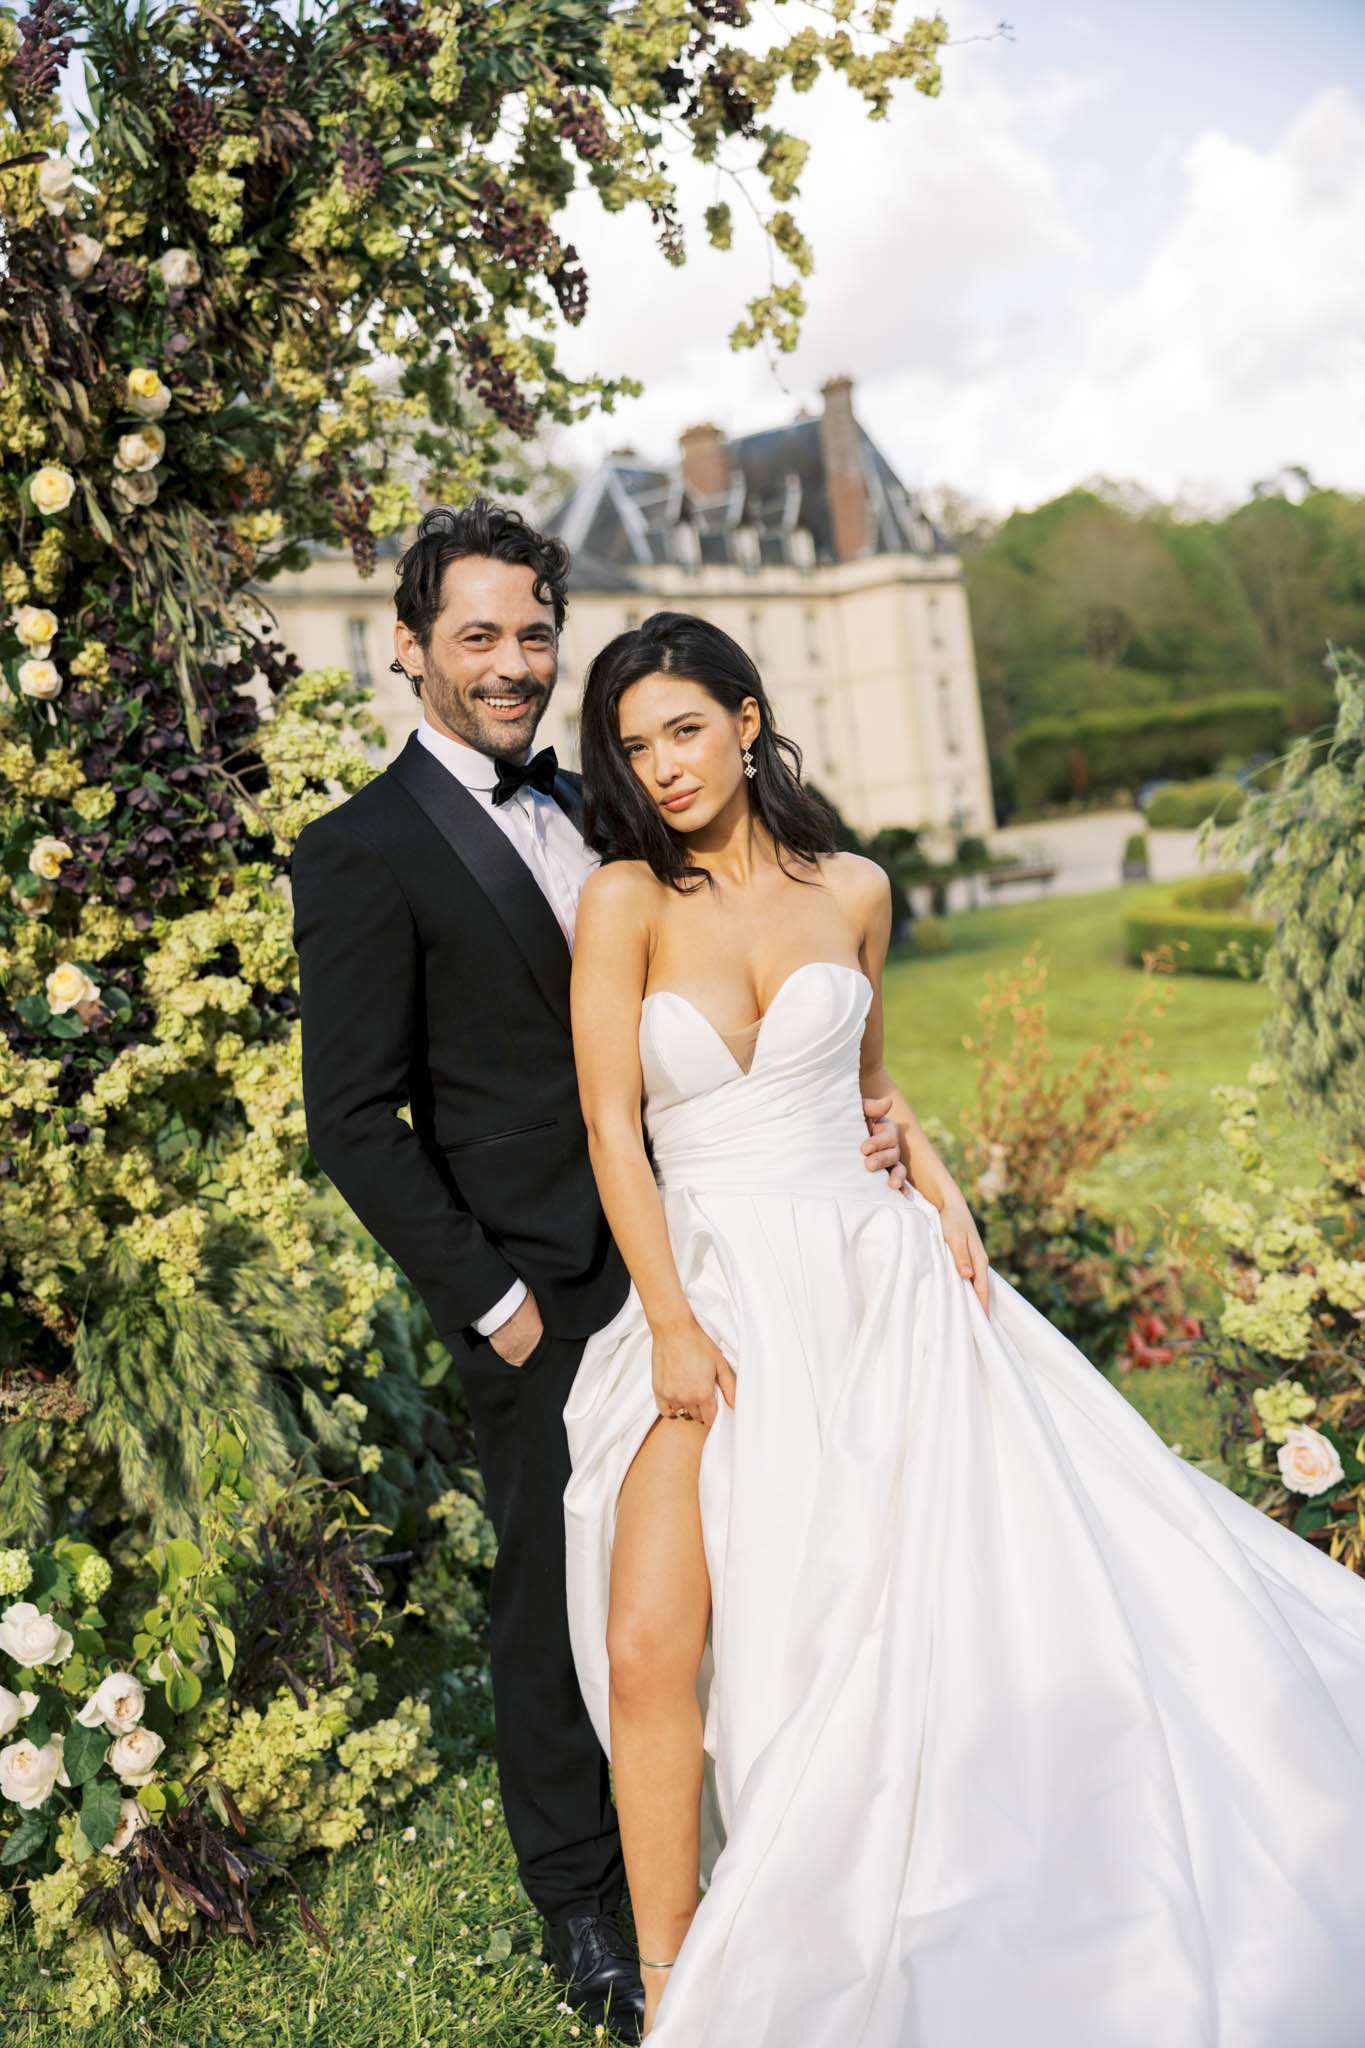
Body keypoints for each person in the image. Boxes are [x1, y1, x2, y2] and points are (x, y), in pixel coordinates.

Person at [561, 609, 1365, 2045]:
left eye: (683, 729)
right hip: (709, 1293)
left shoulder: (855, 888)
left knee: (894, 1613)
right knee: (646, 1640)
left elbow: (867, 1082)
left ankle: (926, 1873)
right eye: (633, 748)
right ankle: (675, 1984)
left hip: (876, 1287)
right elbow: (614, 1131)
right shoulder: (624, 899)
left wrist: (941, 1192)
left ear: (746, 722)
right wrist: (671, 1321)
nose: (662, 767)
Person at [288, 503, 926, 2041]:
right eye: (476, 637)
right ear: (409, 648)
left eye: (531, 634)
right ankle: (585, 1907)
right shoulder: (360, 849)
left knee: (770, 1567)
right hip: (546, 1294)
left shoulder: (615, 804)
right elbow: (353, 1120)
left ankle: (789, 1849)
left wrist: (877, 1125)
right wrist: (494, 1304)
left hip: (723, 1252)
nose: (511, 664)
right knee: (560, 1606)